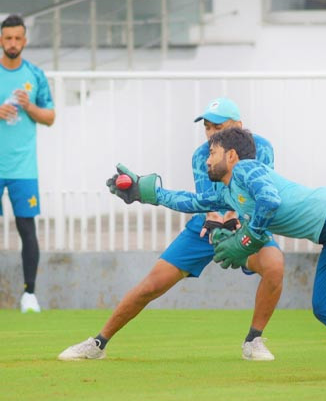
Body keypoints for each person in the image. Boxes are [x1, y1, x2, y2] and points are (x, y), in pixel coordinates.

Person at [108, 127, 326, 378]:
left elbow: (270, 199)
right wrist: (147, 193)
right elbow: (193, 202)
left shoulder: (246, 169)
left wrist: (250, 238)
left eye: (212, 152)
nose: (207, 158)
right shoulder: (228, 192)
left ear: (231, 155)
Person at [58, 98, 284, 361]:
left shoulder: (263, 148)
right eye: (208, 127)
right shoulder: (203, 154)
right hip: (205, 226)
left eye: (218, 126)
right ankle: (98, 343)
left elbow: (255, 192)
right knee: (151, 285)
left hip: (246, 223)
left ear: (239, 126)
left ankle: (253, 341)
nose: (212, 133)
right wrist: (215, 220)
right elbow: (206, 200)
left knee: (275, 266)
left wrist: (234, 219)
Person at [0, 14, 56, 313]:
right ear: (0, 40)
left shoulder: (35, 75)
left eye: (17, 38)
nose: (12, 43)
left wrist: (28, 106)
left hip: (23, 169)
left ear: (25, 40)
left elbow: (50, 117)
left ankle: (29, 295)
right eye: (7, 38)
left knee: (26, 228)